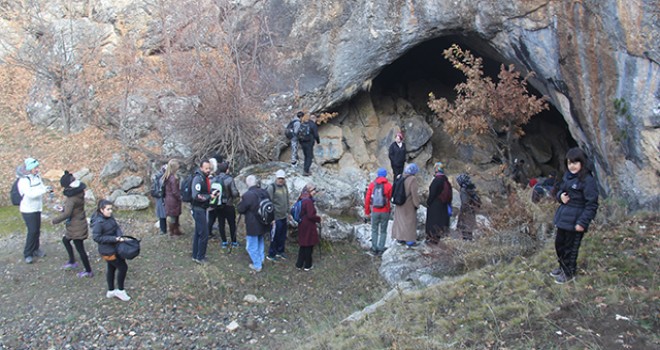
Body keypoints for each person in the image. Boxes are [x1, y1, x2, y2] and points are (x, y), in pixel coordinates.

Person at [551, 147, 599, 284]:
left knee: (570, 249)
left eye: (575, 163)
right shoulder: (568, 176)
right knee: (559, 245)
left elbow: (592, 204)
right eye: (569, 163)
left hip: (576, 220)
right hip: (564, 217)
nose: (572, 166)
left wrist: (582, 223)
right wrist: (560, 197)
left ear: (582, 163)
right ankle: (562, 267)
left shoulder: (588, 181)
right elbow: (560, 190)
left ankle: (569, 272)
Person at [52, 171, 93, 277]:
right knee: (65, 240)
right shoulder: (79, 192)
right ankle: (72, 261)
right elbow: (73, 209)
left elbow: (67, 214)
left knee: (80, 249)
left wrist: (55, 220)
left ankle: (88, 271)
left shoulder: (71, 199)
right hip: (79, 222)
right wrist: (64, 209)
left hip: (76, 227)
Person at [91, 200, 131, 301]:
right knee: (123, 267)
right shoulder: (98, 223)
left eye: (111, 209)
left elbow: (116, 227)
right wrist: (114, 239)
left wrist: (119, 235)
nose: (110, 211)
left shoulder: (109, 217)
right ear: (101, 210)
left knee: (111, 268)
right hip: (107, 251)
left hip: (115, 248)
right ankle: (120, 290)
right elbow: (97, 238)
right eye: (108, 209)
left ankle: (111, 290)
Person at [17, 157, 53, 264]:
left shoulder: (37, 177)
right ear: (30, 168)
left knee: (37, 230)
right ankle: (27, 253)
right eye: (35, 167)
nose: (37, 169)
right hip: (28, 210)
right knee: (32, 231)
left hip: (37, 208)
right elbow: (30, 194)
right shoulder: (23, 181)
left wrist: (47, 189)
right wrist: (43, 190)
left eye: (37, 167)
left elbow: (41, 187)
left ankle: (36, 249)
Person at [237, 175, 271, 272]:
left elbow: (240, 209)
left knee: (251, 246)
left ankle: (257, 265)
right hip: (264, 222)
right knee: (260, 241)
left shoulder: (248, 195)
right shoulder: (264, 192)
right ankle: (261, 259)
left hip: (253, 224)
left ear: (248, 183)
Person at [191, 160, 218, 264]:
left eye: (209, 168)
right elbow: (196, 195)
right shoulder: (198, 179)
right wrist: (209, 197)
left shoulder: (204, 178)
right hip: (198, 209)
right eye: (206, 168)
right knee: (204, 234)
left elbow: (204, 191)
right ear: (201, 168)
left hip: (202, 208)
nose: (208, 170)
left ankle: (195, 255)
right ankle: (200, 257)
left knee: (198, 232)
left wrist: (212, 193)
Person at [209, 161, 240, 248]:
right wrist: (238, 194)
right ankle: (234, 242)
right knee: (232, 223)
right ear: (227, 170)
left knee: (221, 223)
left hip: (218, 204)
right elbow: (234, 193)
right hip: (228, 205)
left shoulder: (215, 179)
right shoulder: (229, 179)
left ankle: (224, 242)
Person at [364, 168, 393, 256]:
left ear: (377, 175)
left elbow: (367, 199)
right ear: (385, 175)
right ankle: (381, 249)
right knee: (383, 231)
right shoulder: (389, 185)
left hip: (375, 211)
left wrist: (367, 211)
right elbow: (390, 198)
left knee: (374, 230)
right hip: (385, 211)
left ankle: (374, 248)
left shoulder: (372, 185)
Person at [391, 163, 420, 247]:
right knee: (409, 223)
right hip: (408, 205)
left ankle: (400, 238)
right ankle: (409, 240)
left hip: (399, 203)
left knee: (400, 221)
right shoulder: (412, 179)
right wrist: (417, 205)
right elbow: (414, 194)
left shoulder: (401, 177)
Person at [295, 183, 321, 271]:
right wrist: (318, 219)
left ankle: (299, 264)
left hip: (302, 224)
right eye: (314, 190)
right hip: (308, 225)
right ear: (309, 190)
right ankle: (307, 265)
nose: (315, 192)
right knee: (309, 245)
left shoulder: (302, 197)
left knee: (303, 245)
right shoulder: (308, 201)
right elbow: (310, 215)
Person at [266, 169, 290, 261]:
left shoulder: (285, 186)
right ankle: (271, 254)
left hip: (284, 216)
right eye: (279, 178)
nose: (281, 180)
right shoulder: (272, 187)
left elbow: (287, 199)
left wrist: (288, 212)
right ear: (276, 178)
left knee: (282, 236)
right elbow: (269, 203)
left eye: (282, 178)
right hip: (276, 218)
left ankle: (280, 251)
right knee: (274, 236)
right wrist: (271, 218)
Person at [426, 162, 452, 244]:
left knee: (433, 222)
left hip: (435, 205)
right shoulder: (446, 180)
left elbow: (432, 193)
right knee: (441, 222)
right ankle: (440, 236)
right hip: (443, 205)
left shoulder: (437, 180)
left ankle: (432, 238)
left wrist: (428, 202)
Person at [456, 173, 481, 241]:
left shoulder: (463, 190)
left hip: (466, 211)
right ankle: (469, 241)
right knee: (469, 228)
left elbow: (464, 202)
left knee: (464, 228)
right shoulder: (471, 189)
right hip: (472, 211)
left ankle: (466, 243)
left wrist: (462, 212)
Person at [163, 159, 183, 237]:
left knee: (175, 215)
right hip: (173, 200)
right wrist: (180, 197)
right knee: (173, 217)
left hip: (170, 199)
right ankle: (172, 232)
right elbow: (175, 191)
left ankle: (175, 230)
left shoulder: (168, 176)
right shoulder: (173, 178)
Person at [154, 164, 167, 235]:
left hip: (158, 196)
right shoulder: (162, 177)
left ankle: (163, 229)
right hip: (162, 197)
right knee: (163, 213)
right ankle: (165, 230)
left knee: (161, 213)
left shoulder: (157, 175)